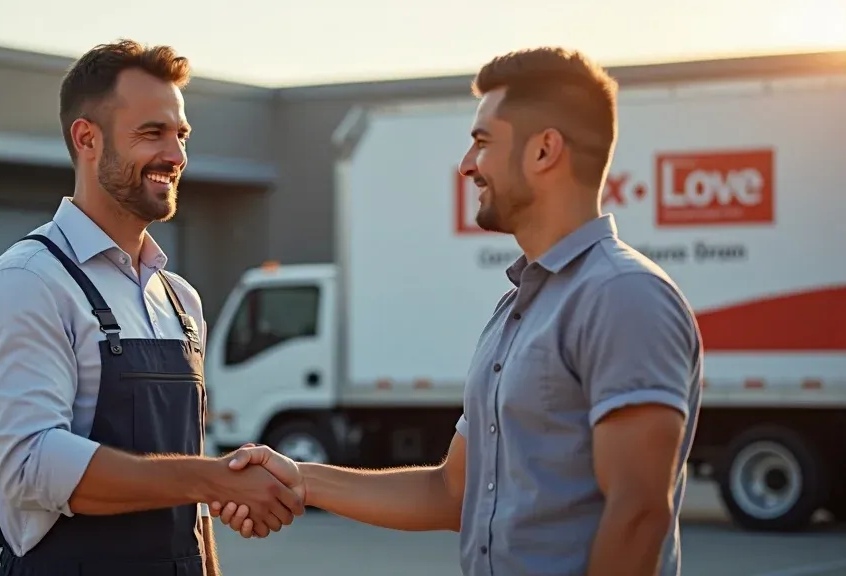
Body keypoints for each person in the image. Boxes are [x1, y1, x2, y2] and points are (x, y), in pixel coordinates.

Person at [210, 47, 704, 576]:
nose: (468, 165)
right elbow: (451, 492)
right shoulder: (517, 306)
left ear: (544, 151)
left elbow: (638, 513)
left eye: (483, 142)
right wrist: (301, 479)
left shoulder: (622, 294)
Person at [0, 40, 304, 576]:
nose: (176, 155)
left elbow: (191, 506)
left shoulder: (180, 300)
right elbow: (30, 468)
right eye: (152, 133)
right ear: (86, 138)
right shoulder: (27, 283)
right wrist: (212, 478)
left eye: (181, 134)